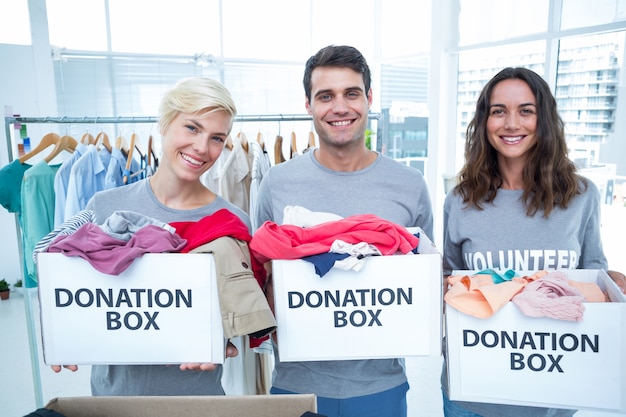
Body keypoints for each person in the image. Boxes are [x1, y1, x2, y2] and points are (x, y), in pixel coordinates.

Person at [253, 44, 434, 417]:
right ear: (308, 104)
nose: (339, 107)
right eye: (325, 96)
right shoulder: (277, 182)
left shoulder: (409, 184)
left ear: (368, 98)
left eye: (351, 93)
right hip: (295, 386)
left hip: (381, 386)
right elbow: (263, 274)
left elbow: (425, 280)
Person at [441, 66, 625, 417]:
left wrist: (612, 283)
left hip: (553, 395)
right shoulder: (460, 200)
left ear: (545, 121)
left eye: (526, 111)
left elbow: (591, 277)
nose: (512, 124)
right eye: (499, 112)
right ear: (484, 122)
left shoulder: (582, 195)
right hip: (473, 394)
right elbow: (448, 283)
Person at [51, 76, 247, 396]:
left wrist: (224, 339)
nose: (201, 147)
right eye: (192, 128)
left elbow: (236, 310)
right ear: (165, 124)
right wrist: (63, 330)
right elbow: (73, 286)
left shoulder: (235, 223)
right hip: (114, 402)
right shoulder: (105, 206)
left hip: (198, 403)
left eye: (216, 138)